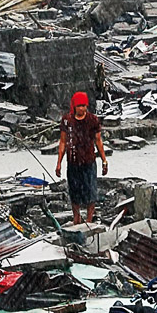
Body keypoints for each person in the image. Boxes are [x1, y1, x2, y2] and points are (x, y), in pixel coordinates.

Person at [55, 91, 107, 223]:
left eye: (84, 106)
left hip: (89, 160)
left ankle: (89, 219)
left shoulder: (92, 120)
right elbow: (62, 141)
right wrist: (59, 162)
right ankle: (76, 217)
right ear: (74, 106)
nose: (82, 109)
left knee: (91, 191)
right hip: (73, 161)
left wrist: (104, 160)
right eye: (79, 106)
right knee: (74, 191)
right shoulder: (67, 121)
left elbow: (98, 140)